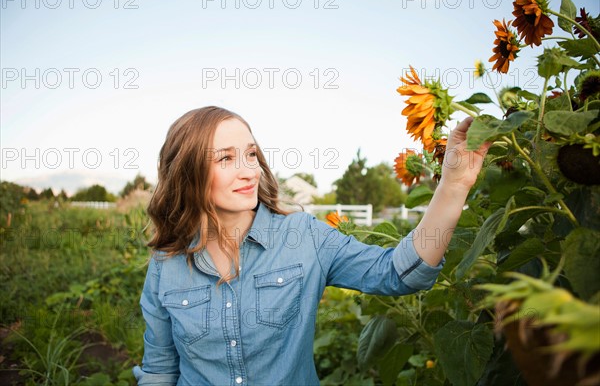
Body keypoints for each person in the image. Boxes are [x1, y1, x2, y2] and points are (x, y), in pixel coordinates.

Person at [133, 106, 490, 385]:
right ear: (187, 172)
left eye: (251, 154)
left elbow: (400, 273)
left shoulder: (303, 237)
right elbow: (160, 372)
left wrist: (453, 185)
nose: (248, 171)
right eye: (226, 158)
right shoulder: (167, 266)